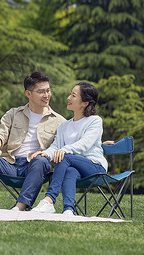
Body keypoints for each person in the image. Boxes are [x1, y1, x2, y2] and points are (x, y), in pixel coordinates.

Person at [0, 71, 66, 211]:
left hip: (34, 166)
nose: (46, 95)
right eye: (41, 91)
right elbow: (0, 133)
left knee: (41, 161)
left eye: (48, 90)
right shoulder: (13, 113)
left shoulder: (59, 121)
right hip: (9, 163)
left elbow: (68, 145)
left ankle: (18, 208)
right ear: (28, 94)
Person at [29, 81, 107, 215]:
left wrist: (65, 150)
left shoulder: (95, 121)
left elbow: (85, 144)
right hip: (74, 167)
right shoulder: (64, 126)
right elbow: (56, 147)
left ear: (85, 103)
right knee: (70, 171)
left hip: (95, 166)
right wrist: (45, 154)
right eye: (70, 94)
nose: (68, 98)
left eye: (73, 95)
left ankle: (49, 200)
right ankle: (69, 210)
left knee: (65, 157)